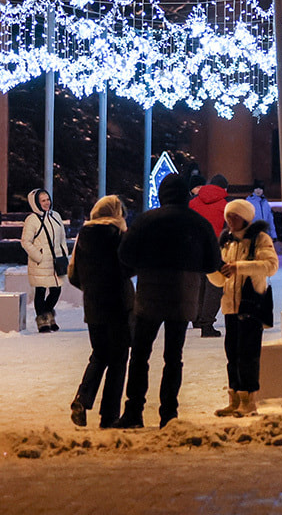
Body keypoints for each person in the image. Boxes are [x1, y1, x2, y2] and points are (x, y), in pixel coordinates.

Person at [116, 173, 223, 428]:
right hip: (183, 295)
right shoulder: (199, 223)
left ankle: (134, 411)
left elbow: (125, 255)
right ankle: (169, 414)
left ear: (162, 194)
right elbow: (212, 262)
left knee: (140, 355)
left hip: (150, 294)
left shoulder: (146, 221)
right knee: (173, 357)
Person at [67, 195, 134, 428]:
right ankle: (109, 416)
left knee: (99, 354)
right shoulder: (119, 235)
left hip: (93, 306)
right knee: (118, 360)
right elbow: (128, 267)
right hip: (118, 304)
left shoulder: (83, 236)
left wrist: (91, 288)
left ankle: (82, 399)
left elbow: (73, 274)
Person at [209, 199, 278, 418]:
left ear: (245, 218)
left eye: (235, 217)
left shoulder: (259, 238)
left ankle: (249, 400)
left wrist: (239, 267)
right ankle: (235, 398)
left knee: (248, 354)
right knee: (233, 353)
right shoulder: (226, 241)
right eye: (228, 216)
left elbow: (271, 266)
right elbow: (221, 280)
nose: (230, 220)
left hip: (252, 305)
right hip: (231, 305)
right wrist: (211, 269)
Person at [20, 188, 70, 333]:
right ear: (36, 203)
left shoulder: (56, 216)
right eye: (43, 200)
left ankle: (47, 314)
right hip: (41, 262)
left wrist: (64, 253)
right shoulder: (32, 220)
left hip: (56, 261)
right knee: (40, 291)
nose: (47, 203)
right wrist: (38, 256)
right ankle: (43, 321)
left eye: (48, 199)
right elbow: (25, 241)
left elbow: (62, 238)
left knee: (56, 290)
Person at [188, 174, 229, 338]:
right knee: (215, 286)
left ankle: (197, 318)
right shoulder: (225, 205)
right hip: (215, 248)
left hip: (195, 247)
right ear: (224, 188)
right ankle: (207, 323)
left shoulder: (192, 203)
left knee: (199, 284)